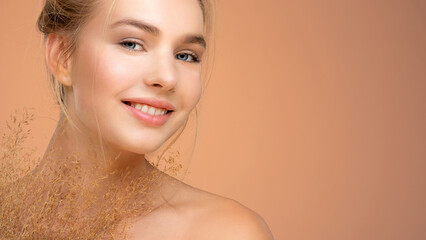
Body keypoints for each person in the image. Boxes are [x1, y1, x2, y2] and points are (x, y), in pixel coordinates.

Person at [2, 0, 274, 238]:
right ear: (62, 56)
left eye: (185, 55)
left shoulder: (226, 232)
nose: (167, 78)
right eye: (132, 44)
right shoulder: (8, 216)